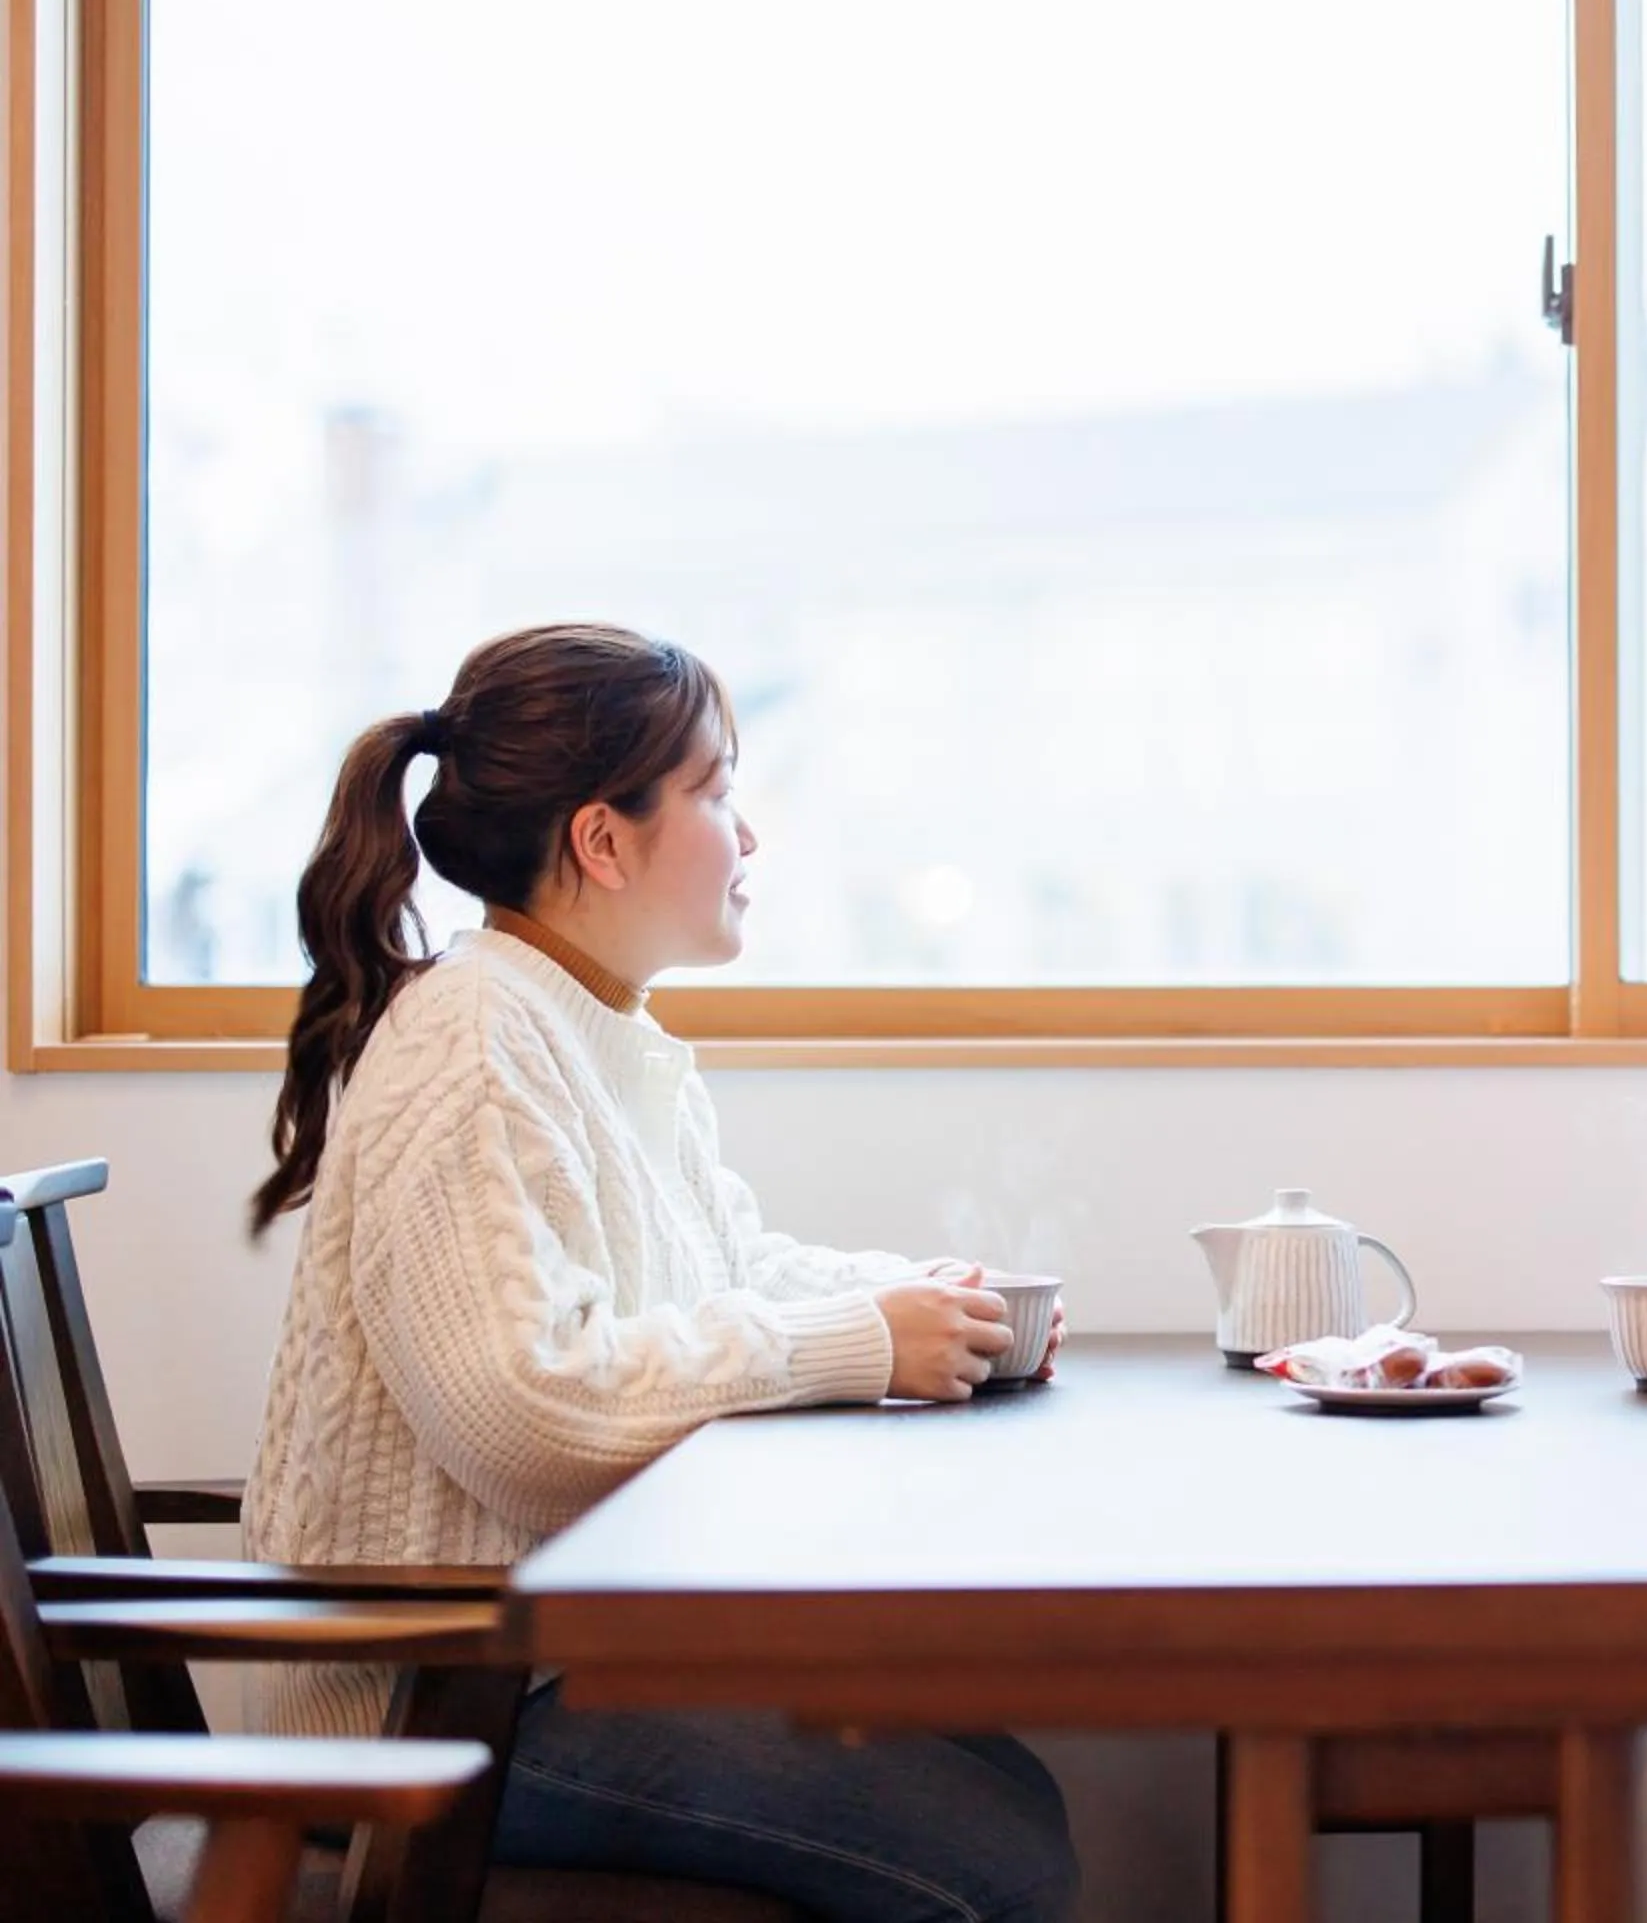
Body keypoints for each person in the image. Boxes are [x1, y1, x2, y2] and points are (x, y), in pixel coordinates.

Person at [241, 622, 1078, 1922]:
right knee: (987, 1857)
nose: (750, 836)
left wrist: (919, 1300)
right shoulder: (473, 1046)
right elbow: (528, 1410)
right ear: (602, 839)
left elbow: (724, 1264)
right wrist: (862, 1340)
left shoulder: (589, 1023)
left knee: (1010, 1796)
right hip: (435, 1700)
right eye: (717, 790)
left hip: (544, 1663)